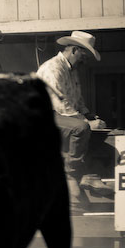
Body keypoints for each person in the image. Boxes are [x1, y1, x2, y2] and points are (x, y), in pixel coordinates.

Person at [36, 31, 113, 211]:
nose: (84, 59)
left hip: (60, 116)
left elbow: (77, 101)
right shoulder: (52, 68)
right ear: (74, 50)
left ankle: (90, 173)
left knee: (93, 128)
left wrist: (91, 117)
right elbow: (60, 104)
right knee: (81, 128)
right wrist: (86, 122)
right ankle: (72, 175)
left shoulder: (72, 71)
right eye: (84, 54)